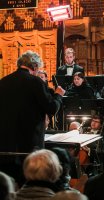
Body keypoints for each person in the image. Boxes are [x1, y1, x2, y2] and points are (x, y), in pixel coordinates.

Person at [0, 50, 65, 185]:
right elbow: (51, 108)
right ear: (35, 67)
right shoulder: (35, 81)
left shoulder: (3, 82)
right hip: (29, 148)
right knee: (27, 185)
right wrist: (58, 95)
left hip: (4, 147)